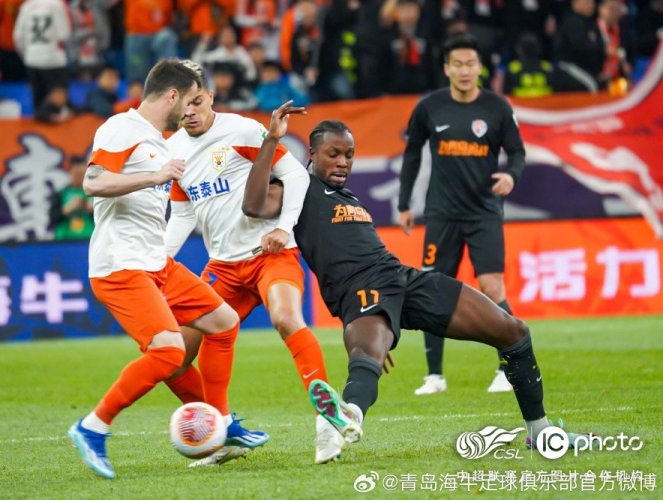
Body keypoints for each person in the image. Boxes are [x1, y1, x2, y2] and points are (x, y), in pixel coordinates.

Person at [242, 102, 587, 457]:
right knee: (367, 357)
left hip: (402, 279)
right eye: (334, 154)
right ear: (313, 154)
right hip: (362, 289)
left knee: (514, 332)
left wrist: (387, 318)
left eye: (349, 155)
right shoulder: (298, 189)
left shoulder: (348, 196)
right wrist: (272, 140)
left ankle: (539, 432)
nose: (343, 162)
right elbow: (253, 205)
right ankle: (343, 419)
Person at [66, 59, 268, 480]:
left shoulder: (160, 141)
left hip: (156, 262)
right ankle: (92, 427)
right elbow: (93, 182)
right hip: (121, 265)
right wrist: (153, 176)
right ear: (172, 95)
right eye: (189, 100)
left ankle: (221, 422)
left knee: (224, 322)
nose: (191, 110)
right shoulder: (121, 128)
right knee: (169, 352)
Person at [164, 62, 341, 464]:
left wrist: (284, 227)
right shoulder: (174, 150)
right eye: (182, 105)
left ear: (210, 97)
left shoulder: (242, 130)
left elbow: (295, 175)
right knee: (172, 358)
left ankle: (329, 422)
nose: (190, 111)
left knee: (286, 318)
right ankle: (221, 430)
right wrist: (156, 262)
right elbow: (183, 215)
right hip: (223, 268)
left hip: (270, 256)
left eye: (197, 101)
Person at [397, 32, 525, 396]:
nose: (465, 70)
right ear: (447, 68)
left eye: (471, 63)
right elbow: (412, 154)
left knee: (492, 286)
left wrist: (512, 176)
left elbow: (517, 152)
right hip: (441, 214)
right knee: (433, 290)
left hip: (484, 212)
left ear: (480, 67)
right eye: (458, 64)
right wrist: (405, 203)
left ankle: (508, 369)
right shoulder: (429, 107)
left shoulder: (497, 108)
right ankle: (435, 377)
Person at [50, 155, 94, 240]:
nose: (80, 178)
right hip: (64, 241)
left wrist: (90, 210)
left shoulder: (94, 193)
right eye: (77, 174)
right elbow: (52, 219)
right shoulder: (61, 194)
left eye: (82, 174)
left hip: (89, 240)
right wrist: (68, 209)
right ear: (70, 172)